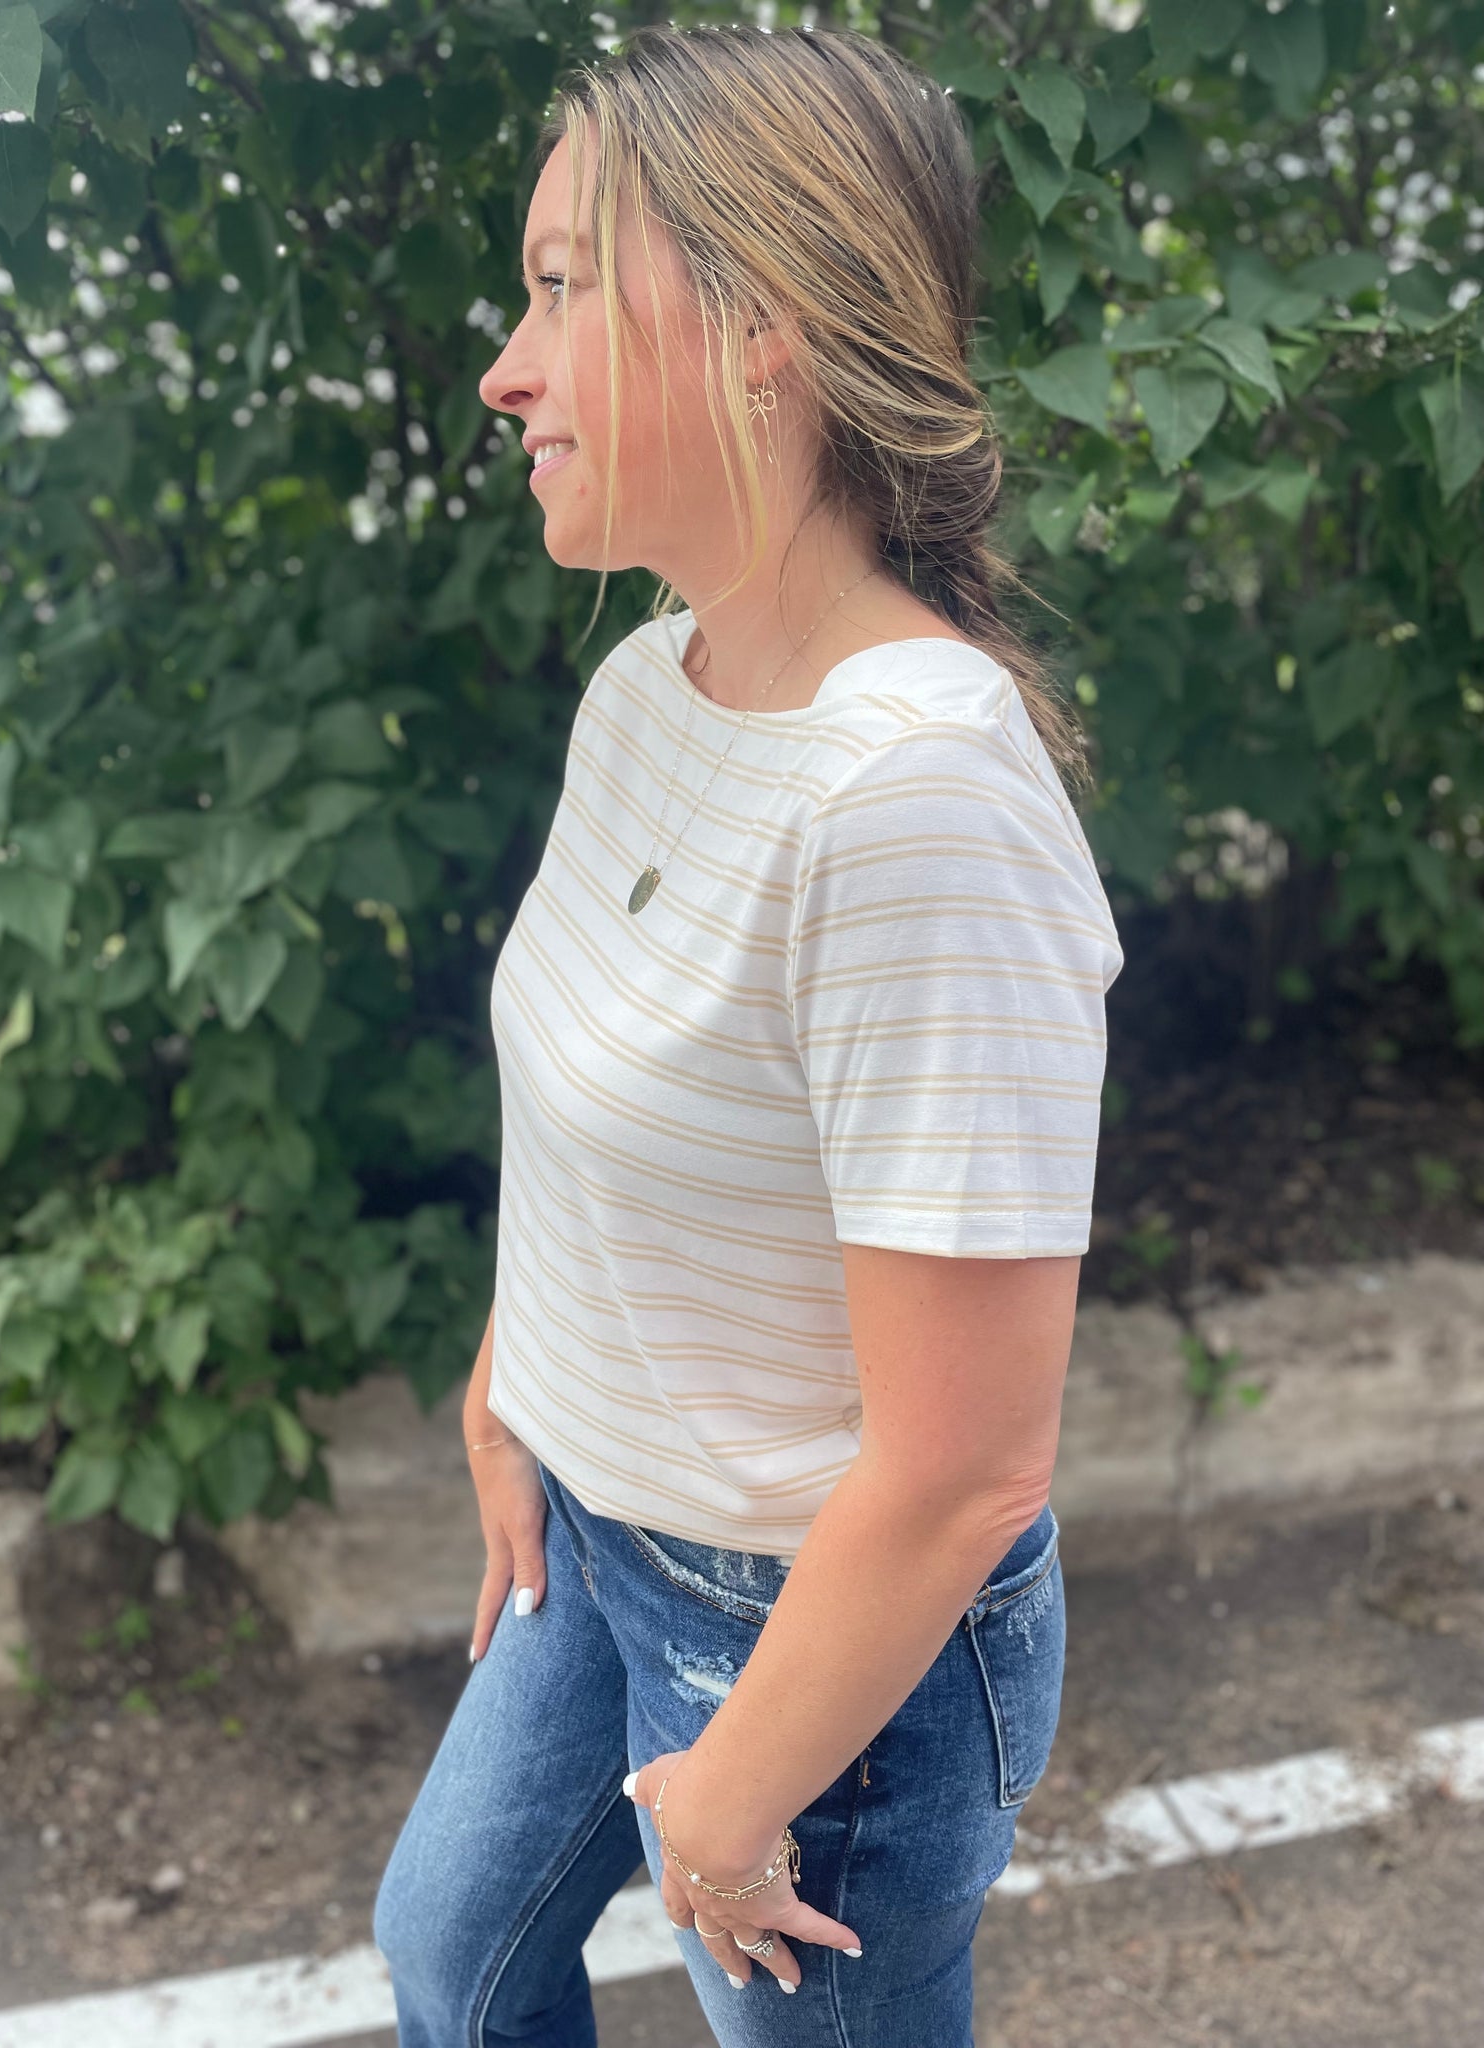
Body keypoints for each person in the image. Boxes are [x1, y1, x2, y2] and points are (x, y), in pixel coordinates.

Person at [373, 21, 1124, 2045]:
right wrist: (515, 1377)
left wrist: (726, 1795)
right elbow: (608, 1088)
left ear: (764, 323)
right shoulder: (653, 684)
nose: (504, 367)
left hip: (814, 1631)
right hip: (599, 1526)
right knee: (452, 1952)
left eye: (561, 286)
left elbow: (965, 1467)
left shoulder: (915, 798)